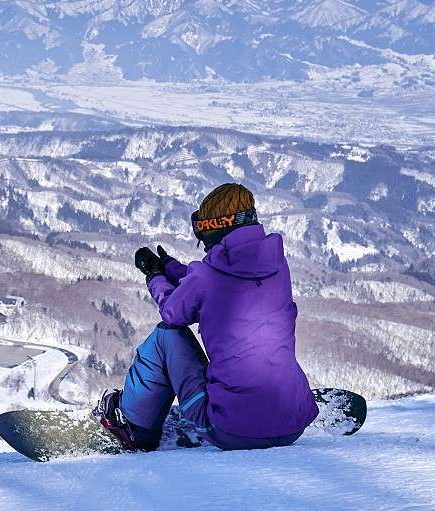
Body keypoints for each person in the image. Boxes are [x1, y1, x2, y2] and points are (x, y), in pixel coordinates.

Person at [96, 182, 318, 451]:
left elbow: (173, 312)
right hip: (292, 424)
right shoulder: (278, 267)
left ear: (214, 228)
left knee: (167, 334)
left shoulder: (206, 277)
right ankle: (272, 405)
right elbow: (213, 285)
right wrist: (169, 267)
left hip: (231, 429)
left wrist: (154, 276)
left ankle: (133, 425)